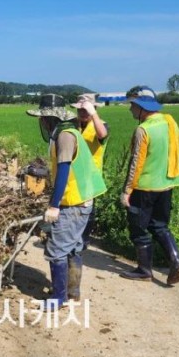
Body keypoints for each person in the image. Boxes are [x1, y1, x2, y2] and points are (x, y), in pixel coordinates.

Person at [26, 94, 106, 307]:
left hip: (74, 202)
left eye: (42, 118)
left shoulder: (65, 135)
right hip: (82, 199)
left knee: (57, 250)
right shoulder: (68, 132)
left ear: (49, 118)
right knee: (72, 248)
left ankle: (58, 298)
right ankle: (72, 292)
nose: (41, 122)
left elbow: (64, 170)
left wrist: (53, 205)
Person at [119, 86, 179, 285]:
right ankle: (176, 262)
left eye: (132, 105)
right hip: (167, 184)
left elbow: (136, 162)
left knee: (138, 228)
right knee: (160, 226)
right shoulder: (170, 122)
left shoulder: (143, 129)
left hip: (144, 187)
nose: (130, 109)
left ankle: (144, 269)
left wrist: (127, 190)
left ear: (141, 107)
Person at [70, 94, 109, 249]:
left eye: (85, 110)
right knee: (72, 207)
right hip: (72, 173)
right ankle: (74, 237)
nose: (82, 113)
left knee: (88, 209)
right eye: (80, 110)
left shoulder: (101, 125)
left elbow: (102, 135)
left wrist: (93, 114)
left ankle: (84, 240)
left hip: (90, 175)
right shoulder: (74, 125)